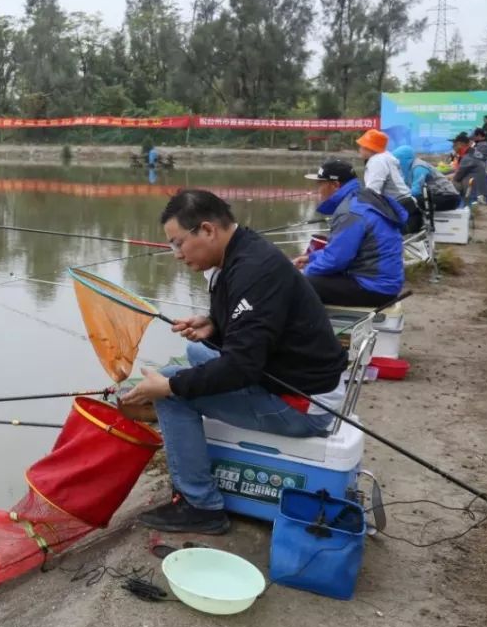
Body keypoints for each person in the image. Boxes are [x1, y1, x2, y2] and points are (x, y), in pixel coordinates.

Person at [117, 190, 348, 534]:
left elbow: (242, 367)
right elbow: (259, 329)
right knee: (196, 354)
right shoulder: (241, 253)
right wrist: (214, 326)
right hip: (294, 376)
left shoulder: (252, 270)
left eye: (179, 243)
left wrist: (169, 387)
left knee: (173, 392)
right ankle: (174, 418)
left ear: (207, 230)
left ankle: (201, 505)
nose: (177, 254)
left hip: (303, 403)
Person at [294, 160, 407, 307]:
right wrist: (311, 258)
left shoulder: (350, 211)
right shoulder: (361, 198)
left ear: (335, 185)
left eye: (321, 184)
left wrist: (305, 271)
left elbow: (336, 260)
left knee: (296, 283)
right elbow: (340, 252)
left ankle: (307, 328)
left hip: (374, 288)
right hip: (383, 283)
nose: (318, 189)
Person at [392, 145, 462, 212]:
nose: (397, 164)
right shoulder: (409, 169)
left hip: (450, 198)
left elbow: (416, 191)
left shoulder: (419, 167)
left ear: (405, 158)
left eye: (398, 160)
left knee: (411, 202)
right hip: (439, 197)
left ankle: (414, 223)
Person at [452, 130, 487, 203]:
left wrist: (445, 177)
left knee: (451, 183)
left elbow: (457, 176)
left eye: (454, 145)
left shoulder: (468, 157)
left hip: (474, 192)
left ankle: (459, 203)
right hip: (478, 188)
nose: (453, 147)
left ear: (460, 144)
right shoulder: (472, 152)